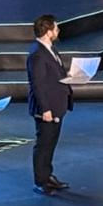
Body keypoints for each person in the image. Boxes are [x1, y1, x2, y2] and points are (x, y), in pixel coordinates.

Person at [25, 14, 72, 194]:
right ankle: (40, 181)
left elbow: (55, 74)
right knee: (43, 144)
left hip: (57, 104)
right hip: (47, 108)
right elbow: (37, 84)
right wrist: (45, 109)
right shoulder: (37, 54)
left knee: (51, 143)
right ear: (48, 31)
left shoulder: (50, 49)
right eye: (55, 28)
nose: (58, 30)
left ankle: (47, 175)